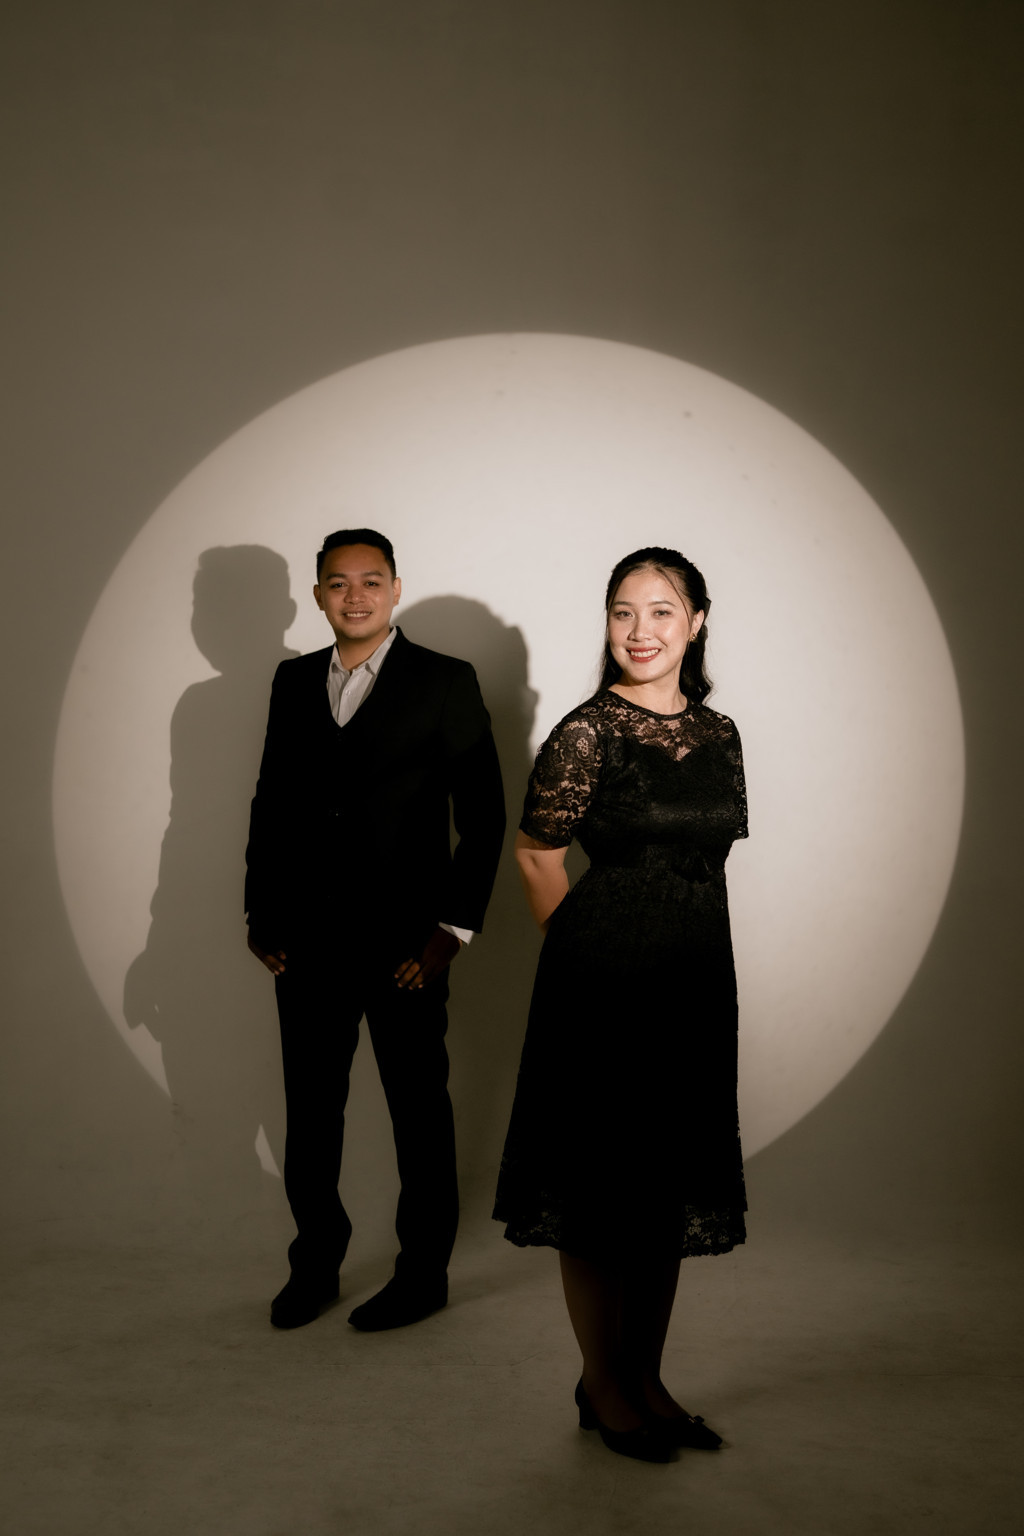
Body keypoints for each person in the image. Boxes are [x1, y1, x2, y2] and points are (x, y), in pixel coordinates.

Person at [493, 546, 748, 1463]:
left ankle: (647, 1377)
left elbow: (704, 859)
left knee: (666, 1184)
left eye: (662, 611)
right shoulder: (586, 732)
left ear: (697, 622)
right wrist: (585, 955)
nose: (640, 632)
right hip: (600, 989)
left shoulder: (720, 734)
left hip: (694, 985)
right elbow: (535, 854)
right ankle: (603, 1384)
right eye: (623, 612)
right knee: (600, 1190)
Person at [246, 528, 505, 1332]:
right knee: (310, 1113)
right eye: (337, 582)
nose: (353, 596)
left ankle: (423, 1273)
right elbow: (271, 801)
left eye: (369, 580)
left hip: (406, 945)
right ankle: (315, 1264)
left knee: (417, 1112)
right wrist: (261, 911)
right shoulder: (293, 681)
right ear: (317, 595)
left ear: (395, 589)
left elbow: (485, 816)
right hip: (306, 941)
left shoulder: (445, 680)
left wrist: (452, 930)